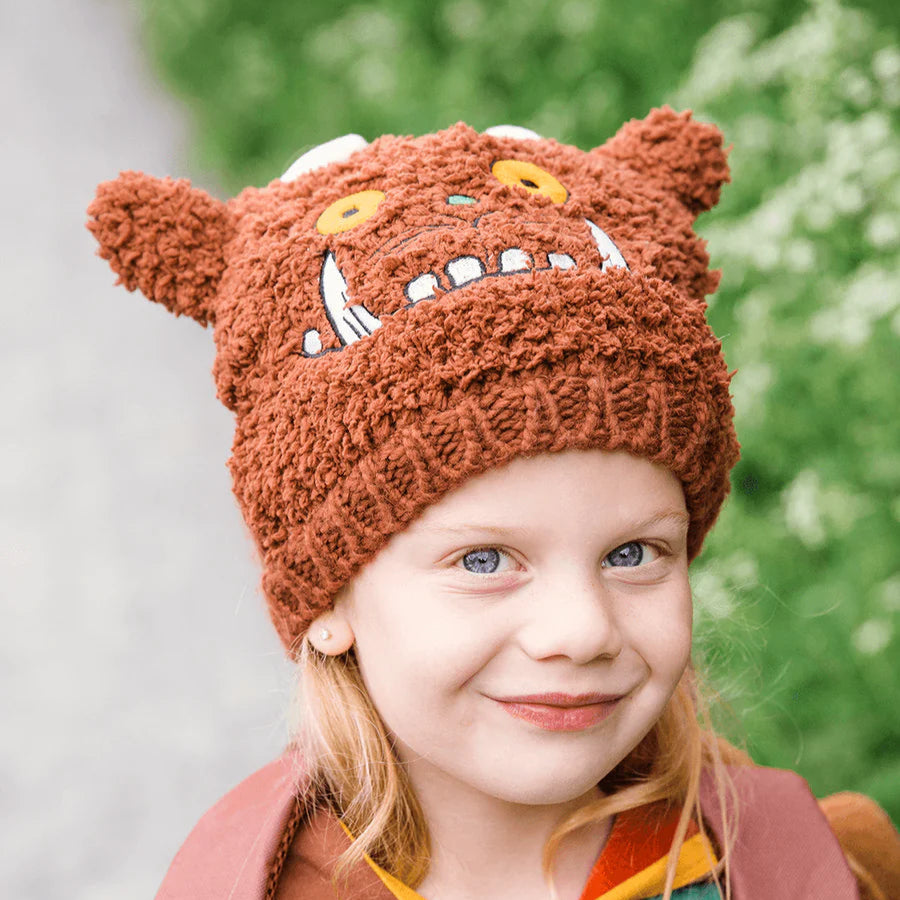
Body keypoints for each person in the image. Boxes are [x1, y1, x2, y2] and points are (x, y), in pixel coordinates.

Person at [87, 108, 899, 900]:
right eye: (485, 560)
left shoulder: (799, 868)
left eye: (632, 554)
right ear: (328, 596)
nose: (581, 629)